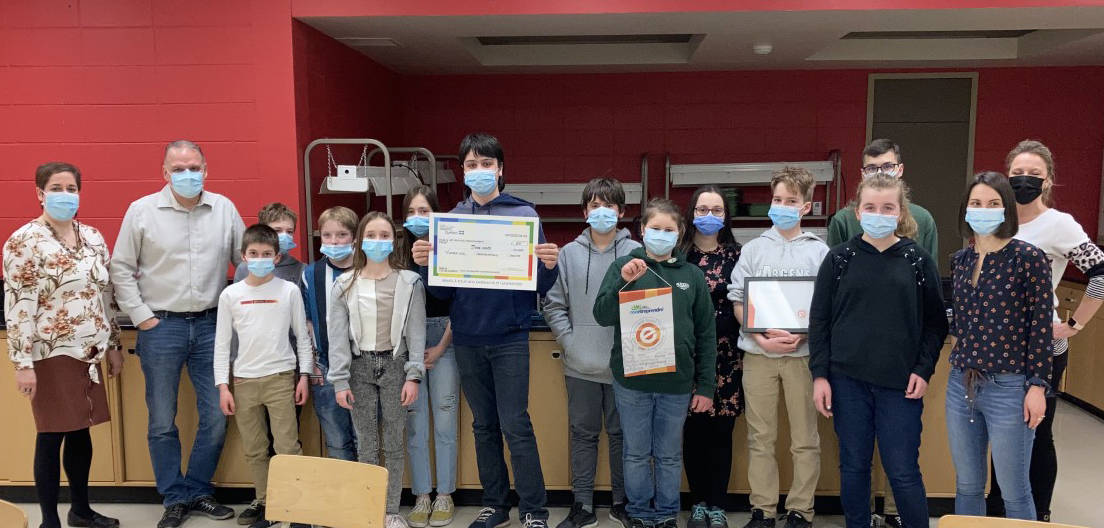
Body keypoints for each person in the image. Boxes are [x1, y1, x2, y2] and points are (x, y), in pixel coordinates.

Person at [411, 133, 560, 528]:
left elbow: (539, 285)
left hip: (510, 336)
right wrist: (426, 265)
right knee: (483, 426)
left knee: (516, 424)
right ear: (463, 171)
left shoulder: (524, 215)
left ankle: (533, 511)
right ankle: (495, 505)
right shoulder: (451, 221)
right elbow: (442, 292)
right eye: (472, 164)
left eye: (486, 163)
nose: (479, 170)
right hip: (467, 338)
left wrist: (549, 266)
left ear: (500, 169)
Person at [110, 140, 244, 528]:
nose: (188, 174)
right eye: (179, 168)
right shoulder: (142, 211)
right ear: (165, 173)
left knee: (216, 414)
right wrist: (142, 317)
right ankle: (174, 497)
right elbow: (120, 268)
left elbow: (245, 262)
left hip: (212, 325)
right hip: (161, 326)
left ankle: (198, 489)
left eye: (194, 167)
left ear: (206, 169)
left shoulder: (224, 209)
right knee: (162, 420)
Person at [808, 173, 948, 528]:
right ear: (857, 212)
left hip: (900, 384)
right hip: (847, 381)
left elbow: (936, 323)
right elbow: (819, 320)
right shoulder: (839, 259)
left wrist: (923, 369)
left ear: (900, 212)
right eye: (870, 207)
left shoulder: (917, 261)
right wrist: (820, 375)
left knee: (902, 469)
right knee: (854, 466)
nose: (879, 214)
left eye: (888, 207)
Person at [985, 140, 1104, 521]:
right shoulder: (995, 219)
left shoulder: (1059, 224)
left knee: (1036, 434)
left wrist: (1073, 325)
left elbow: (1100, 272)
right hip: (998, 347)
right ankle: (998, 511)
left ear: (1048, 180)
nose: (1025, 179)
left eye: (1034, 174)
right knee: (1001, 435)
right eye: (1018, 172)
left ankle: (1039, 516)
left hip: (1040, 348)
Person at [5, 162, 124, 528]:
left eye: (71, 188)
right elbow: (18, 305)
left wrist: (114, 344)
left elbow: (106, 294)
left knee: (80, 430)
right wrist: (22, 363)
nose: (65, 195)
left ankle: (81, 511)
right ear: (40, 193)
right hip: (49, 352)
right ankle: (49, 521)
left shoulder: (92, 237)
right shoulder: (24, 241)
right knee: (51, 433)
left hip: (88, 353)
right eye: (56, 188)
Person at [593, 198, 717, 528]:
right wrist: (623, 281)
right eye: (655, 228)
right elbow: (602, 315)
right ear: (642, 230)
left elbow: (706, 334)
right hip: (632, 382)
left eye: (668, 229)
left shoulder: (691, 275)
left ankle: (665, 514)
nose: (661, 234)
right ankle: (638, 512)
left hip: (676, 384)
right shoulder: (624, 267)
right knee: (635, 453)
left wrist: (706, 386)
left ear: (679, 233)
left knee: (668, 455)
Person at [946, 172, 1054, 521]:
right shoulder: (960, 260)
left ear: (1006, 209)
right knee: (967, 485)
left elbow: (1040, 328)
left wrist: (1037, 386)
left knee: (1014, 490)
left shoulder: (1029, 258)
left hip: (1010, 388)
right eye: (976, 203)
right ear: (965, 210)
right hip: (962, 385)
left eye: (993, 204)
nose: (984, 210)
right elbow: (960, 321)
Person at [729, 168, 828, 528]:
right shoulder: (753, 249)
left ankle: (801, 510)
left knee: (805, 439)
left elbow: (825, 308)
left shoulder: (819, 252)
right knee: (760, 437)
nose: (783, 206)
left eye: (791, 200)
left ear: (805, 207)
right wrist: (758, 335)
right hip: (758, 356)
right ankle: (763, 510)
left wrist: (805, 334)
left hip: (802, 357)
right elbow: (738, 300)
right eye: (777, 199)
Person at [544, 178, 639, 528]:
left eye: (609, 205)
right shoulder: (567, 254)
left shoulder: (637, 253)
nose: (602, 212)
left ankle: (621, 503)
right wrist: (571, 343)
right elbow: (554, 306)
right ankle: (582, 505)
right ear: (584, 211)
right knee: (582, 435)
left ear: (622, 212)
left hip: (624, 366)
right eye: (595, 206)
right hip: (580, 364)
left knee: (622, 436)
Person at [329, 211, 426, 528]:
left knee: (394, 443)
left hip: (395, 365)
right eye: (371, 235)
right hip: (359, 368)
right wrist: (340, 381)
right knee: (367, 444)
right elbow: (337, 337)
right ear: (359, 240)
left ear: (393, 241)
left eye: (384, 235)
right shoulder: (344, 284)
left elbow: (416, 333)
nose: (377, 241)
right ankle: (370, 511)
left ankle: (391, 511)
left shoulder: (409, 282)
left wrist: (413, 375)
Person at [214, 224, 314, 528]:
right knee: (255, 448)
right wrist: (223, 386)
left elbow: (302, 336)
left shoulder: (289, 291)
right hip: (244, 381)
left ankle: (294, 507)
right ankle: (266, 503)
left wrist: (304, 375)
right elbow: (222, 344)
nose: (260, 258)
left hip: (281, 378)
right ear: (243, 256)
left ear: (277, 256)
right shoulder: (231, 295)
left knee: (287, 447)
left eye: (267, 253)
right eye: (254, 253)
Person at [678, 185, 743, 528]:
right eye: (702, 209)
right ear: (691, 214)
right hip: (688, 358)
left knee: (721, 433)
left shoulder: (739, 256)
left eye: (716, 210)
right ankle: (698, 503)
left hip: (728, 357)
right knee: (693, 433)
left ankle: (718, 505)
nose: (709, 216)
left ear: (725, 216)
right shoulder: (678, 256)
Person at [401, 186, 460, 528]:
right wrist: (411, 351)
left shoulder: (449, 248)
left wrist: (440, 348)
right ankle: (422, 494)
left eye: (424, 211)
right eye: (412, 211)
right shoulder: (398, 254)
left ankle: (445, 495)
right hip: (408, 343)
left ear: (436, 214)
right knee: (416, 424)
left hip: (444, 340)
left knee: (445, 421)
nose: (418, 218)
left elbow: (459, 304)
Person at [300, 206, 360, 462]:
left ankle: (365, 487)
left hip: (361, 365)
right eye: (327, 235)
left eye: (342, 235)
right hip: (325, 367)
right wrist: (312, 365)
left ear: (354, 238)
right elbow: (307, 323)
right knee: (336, 440)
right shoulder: (310, 274)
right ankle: (344, 489)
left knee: (364, 437)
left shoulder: (367, 270)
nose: (334, 242)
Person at [233, 203, 306, 283]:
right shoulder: (245, 268)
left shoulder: (301, 269)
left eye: (289, 232)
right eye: (277, 230)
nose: (284, 236)